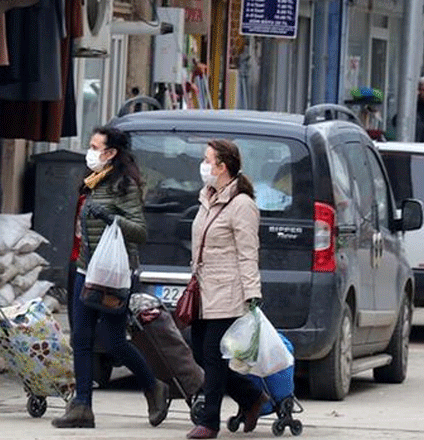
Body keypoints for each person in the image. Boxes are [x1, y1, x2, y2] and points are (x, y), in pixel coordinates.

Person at [52, 126, 170, 429]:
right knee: (81, 337)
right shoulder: (92, 182)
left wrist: (111, 219)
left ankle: (153, 386)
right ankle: (81, 406)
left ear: (111, 153)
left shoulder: (124, 186)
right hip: (85, 269)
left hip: (114, 275)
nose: (90, 152)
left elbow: (140, 231)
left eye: (95, 146)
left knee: (113, 341)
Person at [186, 139, 268, 439]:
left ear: (222, 167)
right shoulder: (207, 198)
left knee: (213, 354)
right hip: (202, 290)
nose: (203, 165)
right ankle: (251, 398)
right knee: (198, 352)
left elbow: (248, 252)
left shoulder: (242, 205)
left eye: (208, 160)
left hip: (228, 291)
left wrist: (251, 295)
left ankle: (209, 421)